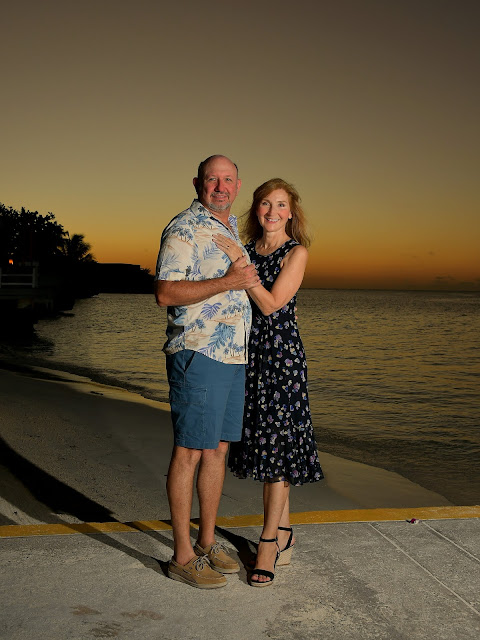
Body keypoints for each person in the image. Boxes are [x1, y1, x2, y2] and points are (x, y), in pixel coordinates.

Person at [154, 155, 260, 589]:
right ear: (198, 183)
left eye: (228, 179)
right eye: (213, 179)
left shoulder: (230, 227)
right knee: (190, 451)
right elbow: (165, 292)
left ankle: (207, 541)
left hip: (233, 356)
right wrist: (227, 283)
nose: (220, 186)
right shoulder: (184, 227)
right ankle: (182, 555)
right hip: (199, 353)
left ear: (238, 185)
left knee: (217, 450)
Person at [213, 178, 323, 587]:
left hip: (280, 358)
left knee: (277, 449)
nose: (272, 212)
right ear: (255, 209)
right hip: (247, 354)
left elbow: (274, 304)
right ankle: (287, 533)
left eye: (280, 205)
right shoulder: (246, 250)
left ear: (291, 213)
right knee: (266, 443)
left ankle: (268, 543)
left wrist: (240, 268)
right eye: (264, 204)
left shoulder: (297, 252)